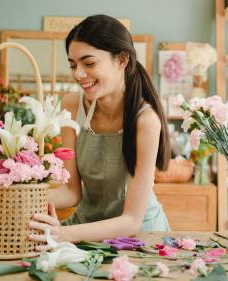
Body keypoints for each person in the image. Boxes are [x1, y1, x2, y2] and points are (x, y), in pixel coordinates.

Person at [28, 14, 171, 250]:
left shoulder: (145, 121)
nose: (78, 74)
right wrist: (24, 199)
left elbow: (131, 221)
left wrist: (62, 234)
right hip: (84, 229)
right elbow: (72, 192)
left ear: (122, 59)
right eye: (73, 65)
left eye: (89, 63)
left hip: (137, 238)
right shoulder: (72, 106)